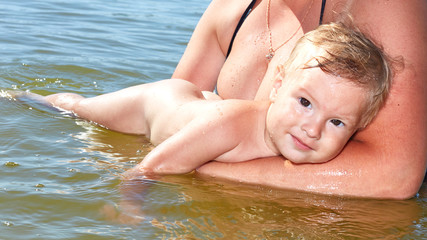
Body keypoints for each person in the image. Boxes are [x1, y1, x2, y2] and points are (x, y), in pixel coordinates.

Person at [11, 23, 390, 176]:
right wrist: (131, 208)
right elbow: (150, 167)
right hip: (158, 106)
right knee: (80, 111)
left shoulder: (291, 134)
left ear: (358, 129)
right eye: (305, 102)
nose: (313, 128)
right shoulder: (228, 126)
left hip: (205, 108)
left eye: (337, 122)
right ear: (276, 87)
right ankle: (24, 95)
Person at [172, 0, 427, 199]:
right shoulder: (232, 8)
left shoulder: (385, 7)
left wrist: (206, 171)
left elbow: (396, 176)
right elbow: (173, 109)